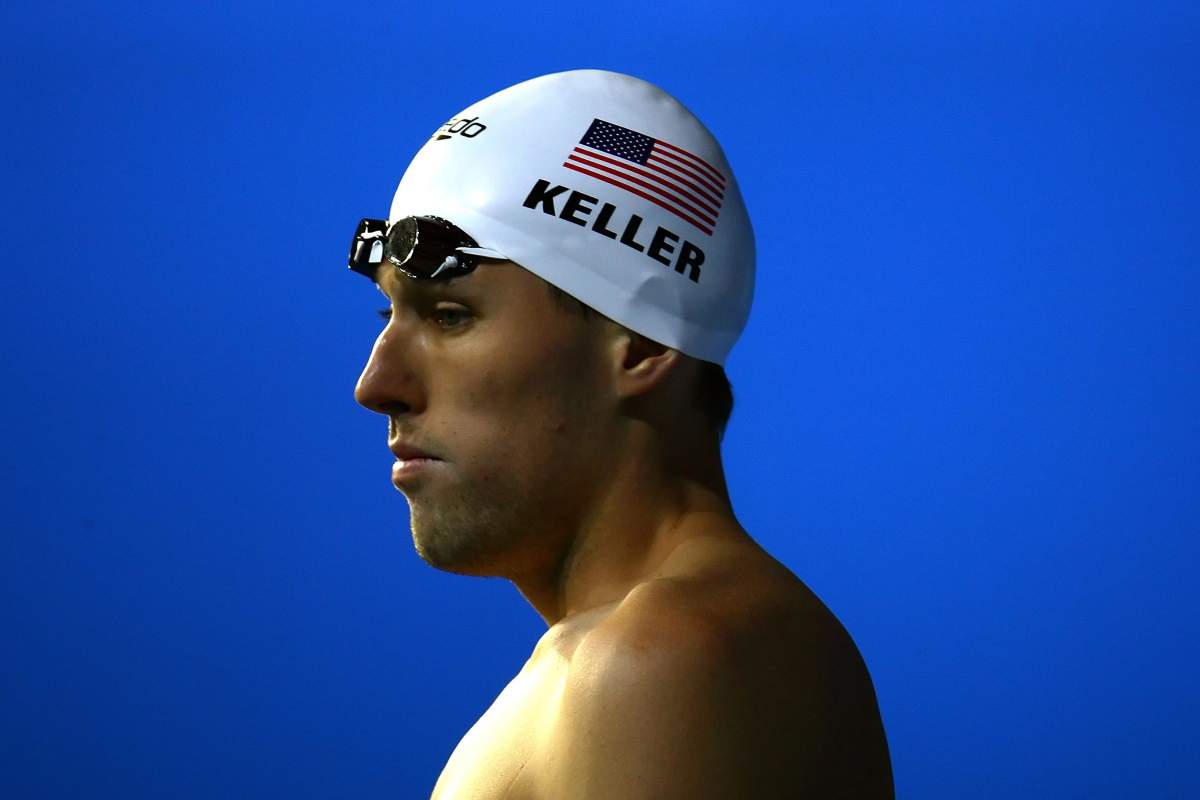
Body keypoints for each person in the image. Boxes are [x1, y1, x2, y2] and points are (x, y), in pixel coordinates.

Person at [349, 69, 894, 799]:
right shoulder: (680, 650)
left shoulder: (663, 660)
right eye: (387, 316)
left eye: (450, 316)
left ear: (639, 346)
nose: (376, 385)